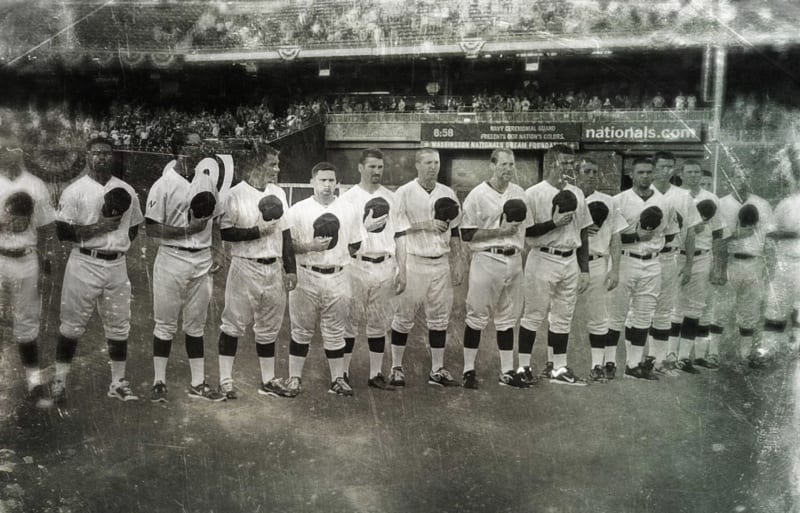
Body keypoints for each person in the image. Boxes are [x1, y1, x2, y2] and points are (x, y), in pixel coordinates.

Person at [51, 136, 144, 403]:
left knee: (119, 326)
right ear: (87, 156)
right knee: (71, 326)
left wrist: (114, 244)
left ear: (113, 157)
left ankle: (117, 382)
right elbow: (62, 231)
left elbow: (134, 227)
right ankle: (60, 381)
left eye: (106, 153)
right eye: (96, 153)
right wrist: (99, 228)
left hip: (116, 265)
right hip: (84, 263)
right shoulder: (75, 190)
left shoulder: (126, 189)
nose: (101, 157)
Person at [144, 130, 225, 403]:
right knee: (164, 323)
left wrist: (217, 250)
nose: (195, 150)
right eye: (190, 145)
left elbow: (215, 219)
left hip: (201, 260)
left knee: (196, 325)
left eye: (198, 145)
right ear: (177, 150)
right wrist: (186, 230)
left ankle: (198, 382)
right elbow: (152, 228)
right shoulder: (163, 184)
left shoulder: (206, 181)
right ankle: (159, 381)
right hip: (172, 258)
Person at [214, 146, 297, 398]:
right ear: (256, 165)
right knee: (232, 325)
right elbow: (225, 231)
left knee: (269, 328)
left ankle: (268, 380)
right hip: (245, 265)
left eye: (277, 164)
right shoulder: (234, 194)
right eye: (272, 164)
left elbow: (285, 233)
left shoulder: (279, 192)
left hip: (273, 268)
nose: (277, 169)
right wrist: (256, 231)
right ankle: (226, 380)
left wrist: (291, 269)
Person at [283, 162, 363, 396]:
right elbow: (287, 245)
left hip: (338, 275)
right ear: (312, 183)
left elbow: (355, 242)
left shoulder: (348, 209)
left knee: (335, 331)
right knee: (301, 330)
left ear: (337, 183)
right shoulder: (298, 210)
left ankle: (337, 379)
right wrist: (310, 246)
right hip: (306, 274)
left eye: (331, 180)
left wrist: (337, 258)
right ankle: (294, 378)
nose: (327, 185)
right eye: (322, 180)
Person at [389, 147, 465, 387]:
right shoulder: (404, 192)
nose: (434, 167)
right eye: (429, 162)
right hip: (413, 260)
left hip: (440, 262)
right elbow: (395, 229)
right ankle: (396, 367)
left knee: (440, 319)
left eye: (437, 162)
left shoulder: (448, 192)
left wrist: (458, 260)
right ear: (417, 165)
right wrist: (425, 224)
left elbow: (455, 230)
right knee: (403, 317)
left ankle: (437, 369)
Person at [520, 145, 592, 386]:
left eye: (572, 164)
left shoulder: (578, 193)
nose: (569, 168)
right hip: (542, 257)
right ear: (551, 163)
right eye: (564, 163)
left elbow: (583, 233)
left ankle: (558, 368)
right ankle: (522, 368)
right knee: (533, 315)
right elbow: (525, 232)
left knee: (563, 317)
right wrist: (553, 223)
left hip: (570, 259)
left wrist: (585, 269)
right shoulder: (533, 193)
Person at [460, 148, 532, 389]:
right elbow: (466, 233)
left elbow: (527, 230)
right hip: (487, 258)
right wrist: (498, 232)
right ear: (492, 165)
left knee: (507, 318)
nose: (508, 169)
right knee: (476, 315)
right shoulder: (477, 194)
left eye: (511, 164)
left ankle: (507, 371)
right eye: (503, 164)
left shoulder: (520, 193)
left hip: (513, 260)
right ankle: (468, 370)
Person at [338, 148, 408, 390]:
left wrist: (403, 270)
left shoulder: (392, 197)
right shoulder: (347, 199)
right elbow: (342, 238)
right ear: (360, 167)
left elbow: (400, 236)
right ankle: (342, 374)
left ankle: (376, 373)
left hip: (386, 266)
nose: (377, 171)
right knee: (350, 322)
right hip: (357, 265)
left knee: (379, 323)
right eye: (372, 167)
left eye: (380, 167)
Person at [0, 119, 56, 407]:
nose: (8, 151)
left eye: (13, 146)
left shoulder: (36, 185)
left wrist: (47, 267)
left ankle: (33, 381)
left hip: (25, 260)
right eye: (3, 145)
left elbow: (46, 230)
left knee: (26, 323)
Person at [607, 157, 675, 380]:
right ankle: (607, 362)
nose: (645, 176)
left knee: (644, 315)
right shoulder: (618, 200)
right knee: (616, 315)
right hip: (626, 260)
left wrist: (650, 240)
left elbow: (669, 232)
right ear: (631, 175)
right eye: (640, 172)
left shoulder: (664, 202)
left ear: (653, 174)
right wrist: (636, 235)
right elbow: (610, 237)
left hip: (653, 261)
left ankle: (634, 364)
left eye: (648, 172)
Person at [708, 164, 772, 369]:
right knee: (720, 310)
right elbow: (714, 238)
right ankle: (712, 353)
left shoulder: (762, 204)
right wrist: (717, 267)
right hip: (730, 262)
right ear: (730, 179)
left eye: (745, 177)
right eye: (737, 177)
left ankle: (745, 355)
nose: (741, 181)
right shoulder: (721, 203)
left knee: (750, 312)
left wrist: (771, 264)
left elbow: (769, 239)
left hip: (755, 263)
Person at [648, 151, 702, 376]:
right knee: (641, 309)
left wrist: (689, 264)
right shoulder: (643, 192)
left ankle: (659, 360)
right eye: (661, 166)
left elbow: (690, 232)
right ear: (654, 168)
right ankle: (640, 360)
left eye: (670, 167)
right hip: (646, 256)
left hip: (671, 256)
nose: (666, 171)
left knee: (665, 309)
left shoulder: (683, 196)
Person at [574, 157, 626, 381]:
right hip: (568, 261)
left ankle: (597, 365)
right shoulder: (567, 197)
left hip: (597, 262)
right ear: (576, 174)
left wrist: (615, 270)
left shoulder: (609, 201)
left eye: (595, 171)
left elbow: (616, 237)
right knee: (559, 314)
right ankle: (553, 364)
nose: (591, 175)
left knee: (598, 316)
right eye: (586, 171)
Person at [671, 161, 725, 371]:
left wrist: (718, 265)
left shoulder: (711, 199)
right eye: (689, 172)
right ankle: (670, 354)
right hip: (677, 256)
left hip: (703, 256)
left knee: (694, 308)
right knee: (674, 307)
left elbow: (719, 232)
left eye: (697, 172)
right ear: (682, 175)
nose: (693, 176)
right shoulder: (675, 196)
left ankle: (685, 357)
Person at [759, 155, 800, 366]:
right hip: (788, 262)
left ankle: (796, 349)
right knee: (776, 308)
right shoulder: (787, 203)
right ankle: (767, 351)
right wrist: (793, 234)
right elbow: (770, 232)